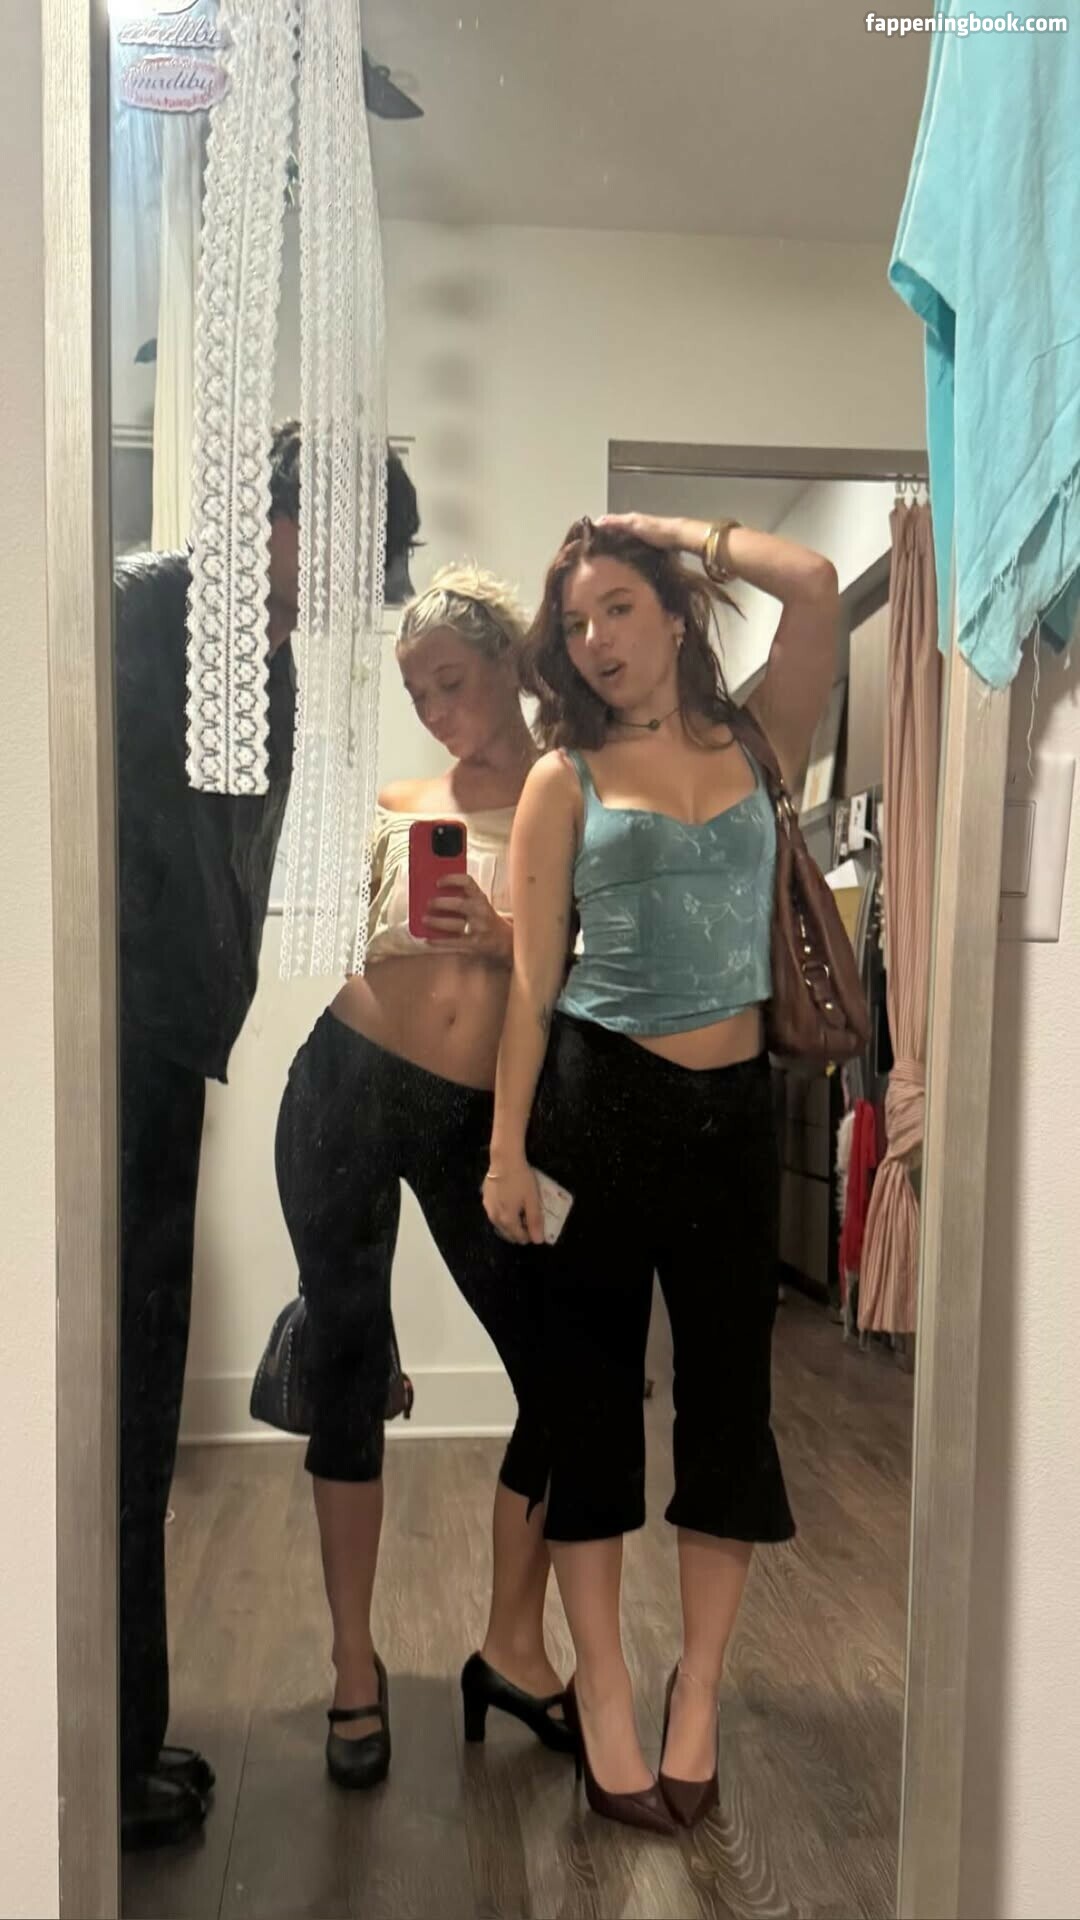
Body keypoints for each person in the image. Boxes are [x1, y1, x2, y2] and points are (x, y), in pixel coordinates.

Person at [483, 510, 838, 1834]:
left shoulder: (758, 739)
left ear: (678, 616)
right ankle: (607, 1686)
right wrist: (508, 1150)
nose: (594, 640)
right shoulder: (561, 776)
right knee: (589, 1407)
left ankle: (701, 1688)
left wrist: (661, 529)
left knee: (730, 1407)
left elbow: (814, 584)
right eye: (576, 624)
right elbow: (533, 985)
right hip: (596, 1104)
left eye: (619, 607)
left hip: (734, 1117)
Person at [116, 430, 419, 1852]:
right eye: (326, 556)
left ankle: (121, 1736)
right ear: (273, 514)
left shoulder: (272, 670)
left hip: (167, 1049)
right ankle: (107, 1748)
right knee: (115, 1398)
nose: (329, 597)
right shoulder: (139, 611)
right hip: (108, 1049)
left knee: (141, 1392)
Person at [274, 564, 573, 1794]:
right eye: (418, 695)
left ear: (510, 663)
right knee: (347, 1365)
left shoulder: (570, 799)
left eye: (452, 682)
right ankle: (354, 1664)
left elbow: (581, 988)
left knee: (564, 1372)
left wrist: (510, 945)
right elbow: (330, 936)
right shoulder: (400, 801)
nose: (438, 712)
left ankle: (511, 1644)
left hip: (471, 1117)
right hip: (343, 1083)